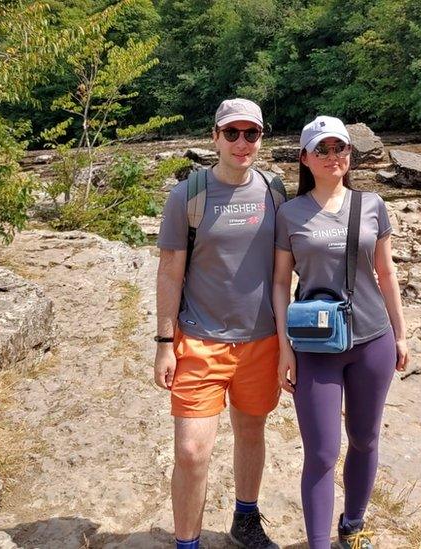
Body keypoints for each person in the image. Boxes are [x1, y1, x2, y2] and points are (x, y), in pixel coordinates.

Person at [272, 116, 408, 549]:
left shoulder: (372, 205)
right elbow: (279, 283)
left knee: (365, 440)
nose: (333, 157)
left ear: (350, 154)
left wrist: (401, 335)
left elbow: (386, 273)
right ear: (305, 158)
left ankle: (353, 525)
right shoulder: (289, 213)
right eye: (323, 149)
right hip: (315, 345)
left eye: (340, 148)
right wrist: (284, 349)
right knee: (322, 452)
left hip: (373, 339)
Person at [154, 98, 285, 549]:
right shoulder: (188, 196)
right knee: (191, 451)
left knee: (251, 432)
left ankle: (245, 520)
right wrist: (164, 342)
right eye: (232, 133)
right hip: (200, 341)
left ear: (261, 138)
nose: (242, 142)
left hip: (261, 341)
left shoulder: (276, 191)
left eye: (252, 133)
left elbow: (291, 264)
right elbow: (170, 271)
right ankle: (186, 543)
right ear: (215, 137)